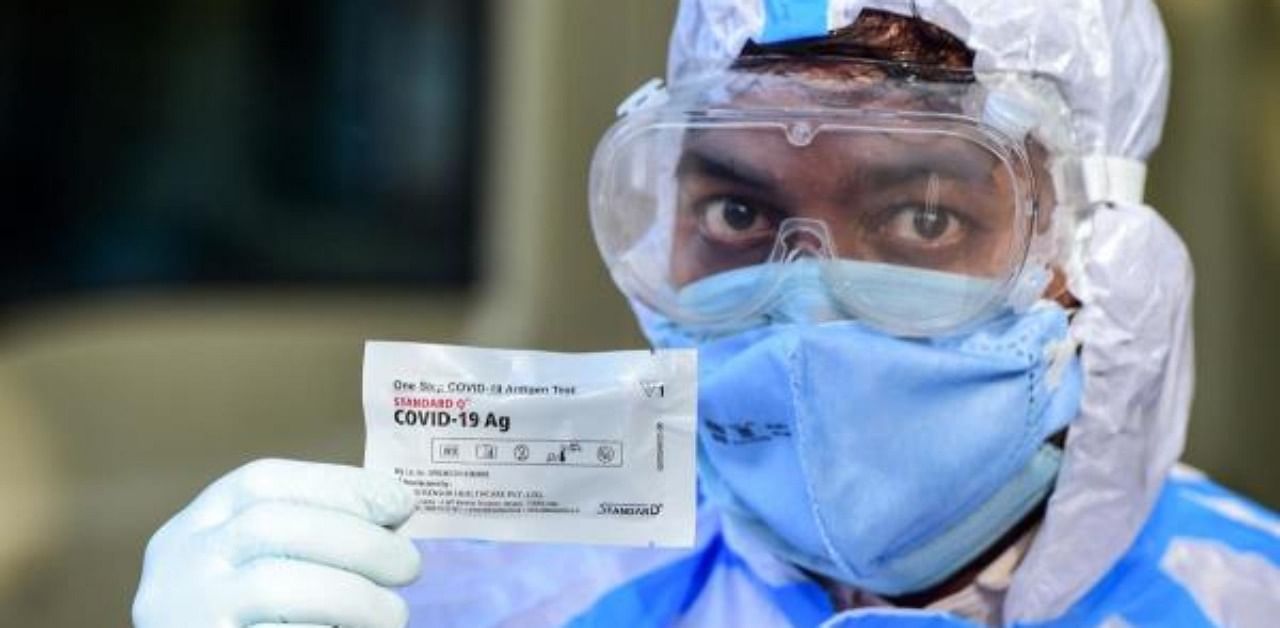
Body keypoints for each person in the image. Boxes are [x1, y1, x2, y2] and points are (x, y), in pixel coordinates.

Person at [132, 1, 1280, 626]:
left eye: (924, 218)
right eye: (736, 207)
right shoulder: (461, 589)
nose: (800, 300)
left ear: (1092, 254)